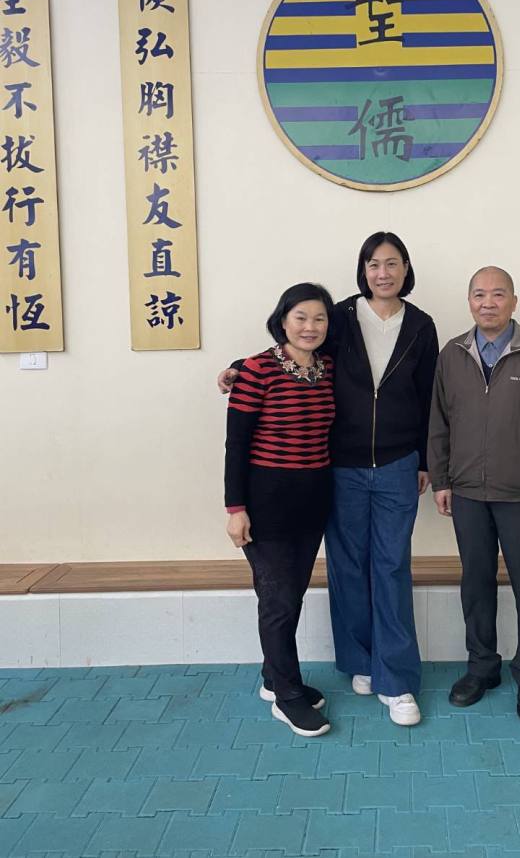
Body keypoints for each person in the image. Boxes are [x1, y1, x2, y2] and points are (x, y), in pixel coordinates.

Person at [219, 233, 438, 727]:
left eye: (392, 263)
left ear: (406, 269)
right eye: (373, 264)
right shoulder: (339, 316)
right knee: (347, 567)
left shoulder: (421, 325)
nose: (383, 273)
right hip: (340, 468)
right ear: (363, 270)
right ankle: (358, 662)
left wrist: (426, 459)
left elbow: (428, 395)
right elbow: (294, 346)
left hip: (397, 463)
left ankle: (395, 679)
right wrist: (238, 367)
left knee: (391, 567)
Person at [427, 267, 520, 723]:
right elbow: (438, 423)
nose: (487, 302)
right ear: (469, 301)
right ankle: (482, 668)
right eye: (479, 294)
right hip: (468, 492)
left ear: (513, 301)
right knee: (475, 582)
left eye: (497, 294)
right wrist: (442, 479)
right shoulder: (452, 354)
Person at [224, 283, 336, 738]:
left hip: (313, 500)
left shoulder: (328, 368)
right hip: (265, 503)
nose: (310, 327)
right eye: (301, 317)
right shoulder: (256, 371)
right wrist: (236, 509)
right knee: (278, 599)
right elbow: (236, 445)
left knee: (292, 594)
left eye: (319, 318)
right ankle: (287, 697)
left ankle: (275, 676)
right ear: (283, 320)